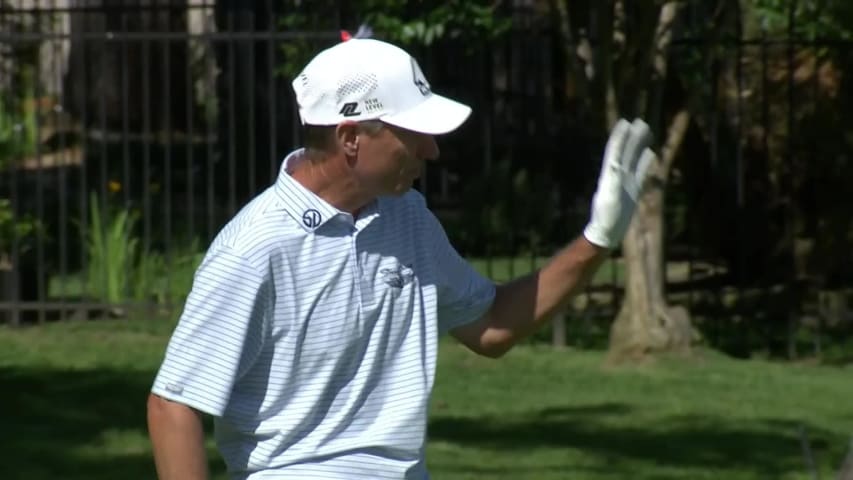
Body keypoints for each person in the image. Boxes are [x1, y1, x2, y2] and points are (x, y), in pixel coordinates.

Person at [146, 37, 654, 480]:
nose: (431, 151)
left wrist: (597, 239)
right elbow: (173, 404)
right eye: (412, 134)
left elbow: (493, 326)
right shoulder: (255, 248)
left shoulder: (404, 216)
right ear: (350, 138)